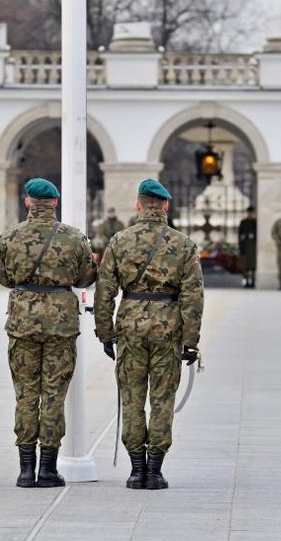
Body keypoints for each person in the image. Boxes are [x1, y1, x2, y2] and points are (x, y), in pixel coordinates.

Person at [95, 179, 204, 490]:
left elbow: (105, 291)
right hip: (168, 327)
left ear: (139, 205)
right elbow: (193, 297)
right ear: (166, 206)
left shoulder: (120, 240)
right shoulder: (183, 244)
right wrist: (191, 342)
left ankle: (135, 469)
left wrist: (105, 332)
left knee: (131, 398)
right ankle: (154, 471)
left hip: (130, 326)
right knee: (162, 398)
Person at [0, 177, 97, 488]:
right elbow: (86, 278)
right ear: (55, 203)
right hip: (60, 325)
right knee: (54, 395)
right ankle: (49, 469)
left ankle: (26, 470)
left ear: (28, 201)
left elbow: (1, 276)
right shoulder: (73, 237)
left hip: (23, 322)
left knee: (25, 395)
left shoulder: (11, 236)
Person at [237, 206, 257, 288]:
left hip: (253, 248)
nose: (250, 214)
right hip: (245, 247)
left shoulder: (255, 223)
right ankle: (245, 282)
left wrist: (253, 236)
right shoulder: (243, 222)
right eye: (249, 213)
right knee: (245, 267)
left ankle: (252, 281)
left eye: (251, 213)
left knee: (252, 267)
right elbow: (240, 235)